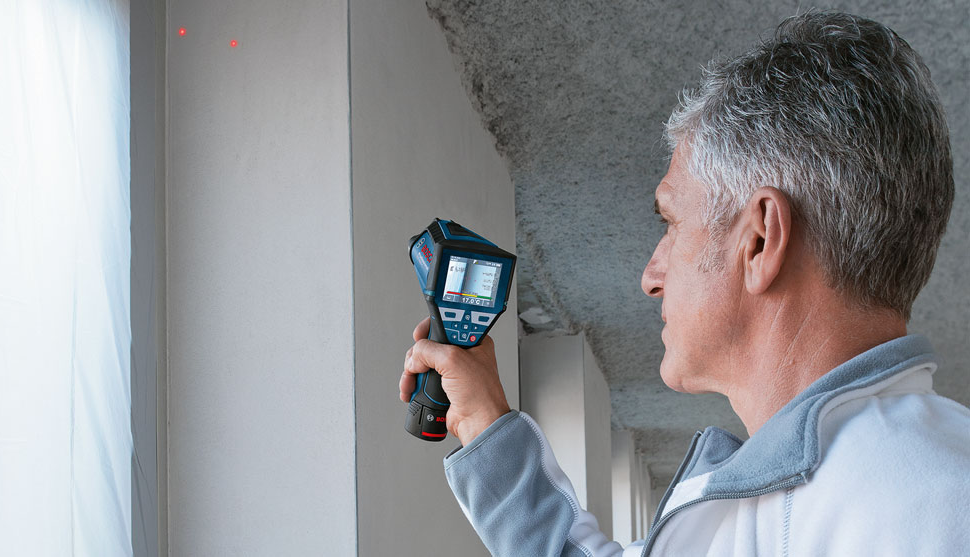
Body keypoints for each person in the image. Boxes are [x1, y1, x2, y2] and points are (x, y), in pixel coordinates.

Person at [400, 11, 970, 556]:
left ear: (759, 242)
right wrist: (484, 424)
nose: (650, 278)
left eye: (671, 223)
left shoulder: (932, 509)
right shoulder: (840, 493)